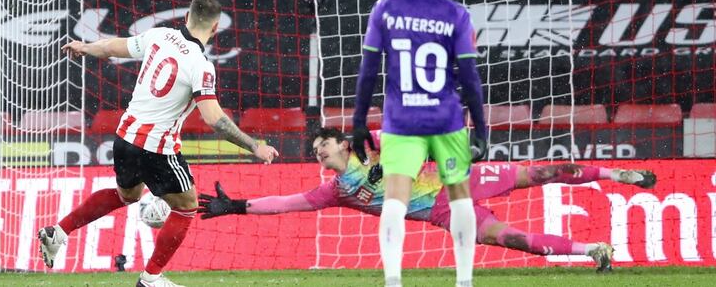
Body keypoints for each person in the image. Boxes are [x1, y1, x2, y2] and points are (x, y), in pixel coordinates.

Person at [38, 0, 278, 287]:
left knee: (127, 195)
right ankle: (150, 279)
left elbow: (113, 46)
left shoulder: (160, 35)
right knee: (187, 206)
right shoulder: (201, 66)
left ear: (187, 17)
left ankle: (58, 232)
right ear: (215, 28)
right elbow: (215, 119)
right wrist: (255, 146)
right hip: (155, 146)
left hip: (125, 136)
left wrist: (84, 47)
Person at [198, 128, 658, 272]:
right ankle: (593, 251)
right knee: (513, 240)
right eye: (316, 146)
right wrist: (236, 206)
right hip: (444, 213)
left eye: (325, 143)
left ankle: (622, 173)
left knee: (542, 171)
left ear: (344, 145)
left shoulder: (373, 143)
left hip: (460, 178)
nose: (318, 149)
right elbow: (286, 203)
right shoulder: (335, 190)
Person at [352, 0, 488, 287]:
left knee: (396, 198)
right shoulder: (456, 14)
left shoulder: (386, 8)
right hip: (447, 119)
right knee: (459, 196)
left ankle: (394, 281)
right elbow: (470, 79)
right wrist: (483, 130)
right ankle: (463, 281)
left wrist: (357, 123)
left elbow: (367, 71)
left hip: (401, 120)